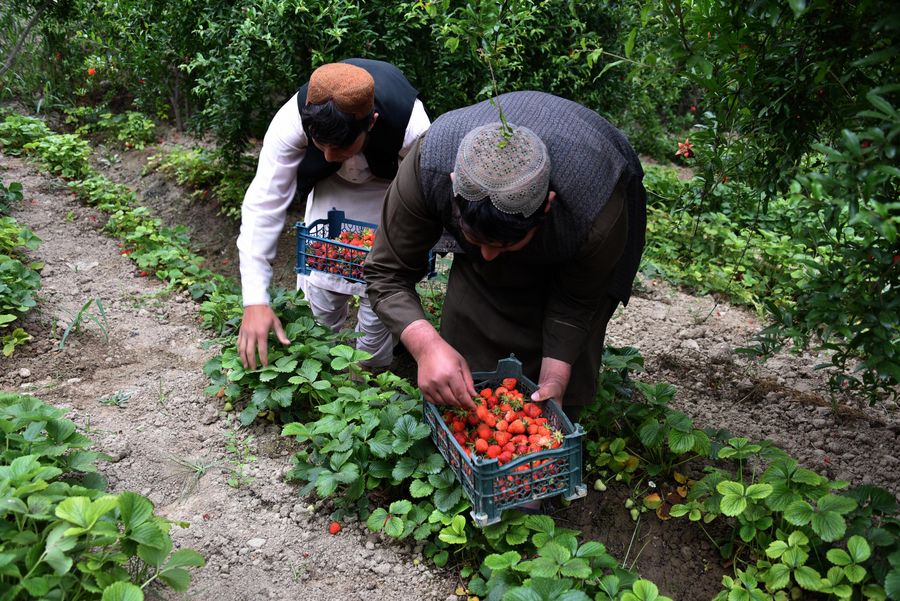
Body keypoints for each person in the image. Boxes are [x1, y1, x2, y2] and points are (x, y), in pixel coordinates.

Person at [364, 91, 646, 418]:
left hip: (589, 191)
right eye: (475, 239)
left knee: (565, 378)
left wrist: (555, 377)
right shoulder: (430, 163)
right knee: (468, 338)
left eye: (506, 245)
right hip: (478, 191)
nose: (487, 256)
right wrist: (426, 346)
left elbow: (576, 302)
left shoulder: (596, 214)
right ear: (453, 187)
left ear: (548, 205)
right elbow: (387, 271)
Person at [237, 58, 431, 370]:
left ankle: (372, 367)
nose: (327, 156)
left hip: (389, 189)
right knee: (320, 273)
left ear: (371, 123)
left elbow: (423, 195)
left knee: (381, 282)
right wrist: (255, 298)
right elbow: (264, 202)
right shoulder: (291, 119)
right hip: (331, 190)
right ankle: (320, 361)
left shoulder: (412, 126)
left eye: (340, 147)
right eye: (320, 145)